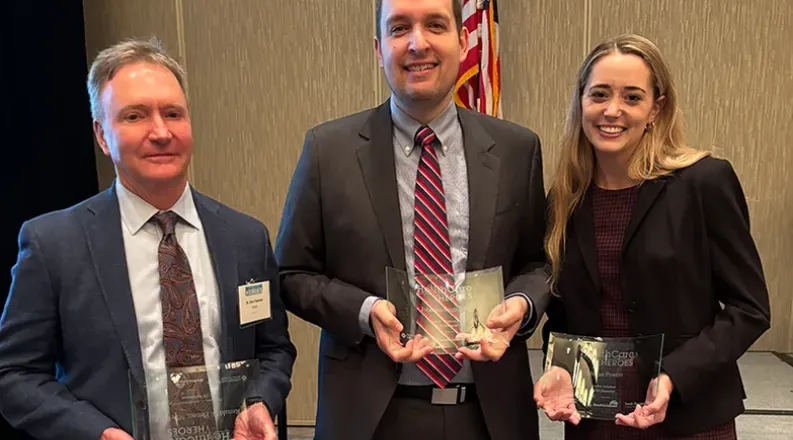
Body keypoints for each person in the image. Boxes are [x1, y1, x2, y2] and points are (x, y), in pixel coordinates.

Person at [275, 0, 549, 438]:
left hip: (489, 416)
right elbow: (291, 273)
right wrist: (364, 312)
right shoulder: (329, 152)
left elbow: (537, 263)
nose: (417, 43)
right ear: (378, 48)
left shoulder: (517, 149)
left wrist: (523, 304)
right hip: (372, 417)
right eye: (400, 28)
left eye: (435, 26)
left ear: (462, 41)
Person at [0, 38, 296, 440]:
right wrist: (97, 434)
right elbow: (14, 375)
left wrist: (260, 401)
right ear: (102, 136)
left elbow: (274, 350)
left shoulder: (245, 237)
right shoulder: (53, 245)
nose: (160, 132)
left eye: (173, 113)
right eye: (135, 116)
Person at [534, 33, 771, 439]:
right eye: (600, 94)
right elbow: (563, 314)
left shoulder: (703, 182)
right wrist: (558, 364)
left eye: (631, 97)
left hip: (688, 418)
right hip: (596, 422)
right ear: (581, 102)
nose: (612, 110)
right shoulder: (565, 198)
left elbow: (749, 310)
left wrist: (673, 376)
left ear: (656, 109)